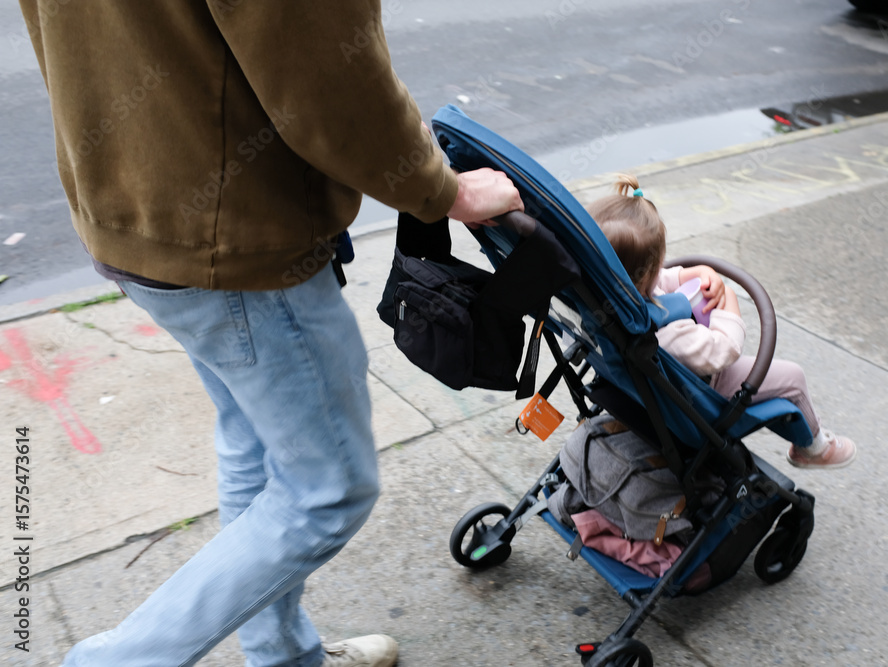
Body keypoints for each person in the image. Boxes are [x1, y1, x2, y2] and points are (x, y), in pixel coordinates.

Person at [20, 2, 523, 666]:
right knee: (328, 490)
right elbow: (325, 73)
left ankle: (282, 655)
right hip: (240, 240)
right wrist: (442, 190)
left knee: (256, 443)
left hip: (136, 213)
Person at [587, 175, 857, 469]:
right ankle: (813, 448)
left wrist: (694, 272)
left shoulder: (596, 299)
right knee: (792, 377)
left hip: (637, 387)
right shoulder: (664, 332)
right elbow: (723, 350)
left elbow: (658, 280)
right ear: (647, 273)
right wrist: (729, 301)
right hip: (702, 387)